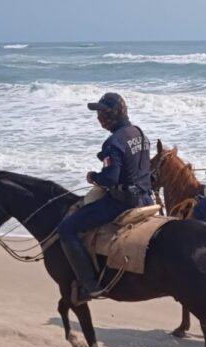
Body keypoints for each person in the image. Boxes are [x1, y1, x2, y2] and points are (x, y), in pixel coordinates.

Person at [58, 92, 153, 302]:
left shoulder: (113, 142)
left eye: (101, 113)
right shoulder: (138, 133)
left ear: (113, 114)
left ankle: (90, 286)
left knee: (67, 228)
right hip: (147, 198)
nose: (98, 117)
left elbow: (110, 179)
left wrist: (94, 177)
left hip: (123, 202)